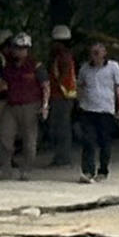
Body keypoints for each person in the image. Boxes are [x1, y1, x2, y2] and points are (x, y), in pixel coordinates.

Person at [0, 31, 46, 175]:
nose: (18, 51)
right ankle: (6, 169)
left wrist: (45, 105)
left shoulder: (35, 66)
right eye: (16, 48)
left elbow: (45, 85)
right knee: (5, 136)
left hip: (30, 106)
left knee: (29, 140)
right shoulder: (8, 66)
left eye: (21, 48)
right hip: (11, 105)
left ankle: (27, 170)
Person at [75, 39, 119, 181]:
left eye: (98, 52)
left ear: (104, 53)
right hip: (88, 109)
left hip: (106, 110)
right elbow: (80, 86)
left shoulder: (113, 67)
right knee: (88, 141)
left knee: (105, 142)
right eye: (93, 53)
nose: (95, 55)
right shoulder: (85, 68)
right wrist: (79, 102)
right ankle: (88, 171)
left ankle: (103, 170)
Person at [41, 28, 81, 159]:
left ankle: (62, 157)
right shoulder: (63, 56)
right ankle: (61, 155)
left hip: (62, 97)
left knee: (61, 128)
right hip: (63, 96)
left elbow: (62, 78)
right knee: (59, 127)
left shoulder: (63, 57)